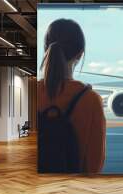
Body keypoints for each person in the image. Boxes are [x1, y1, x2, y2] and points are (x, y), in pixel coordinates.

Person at [38, 19, 106, 173]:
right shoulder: (90, 100)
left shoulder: (33, 94)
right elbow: (94, 164)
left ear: (45, 50)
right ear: (80, 54)